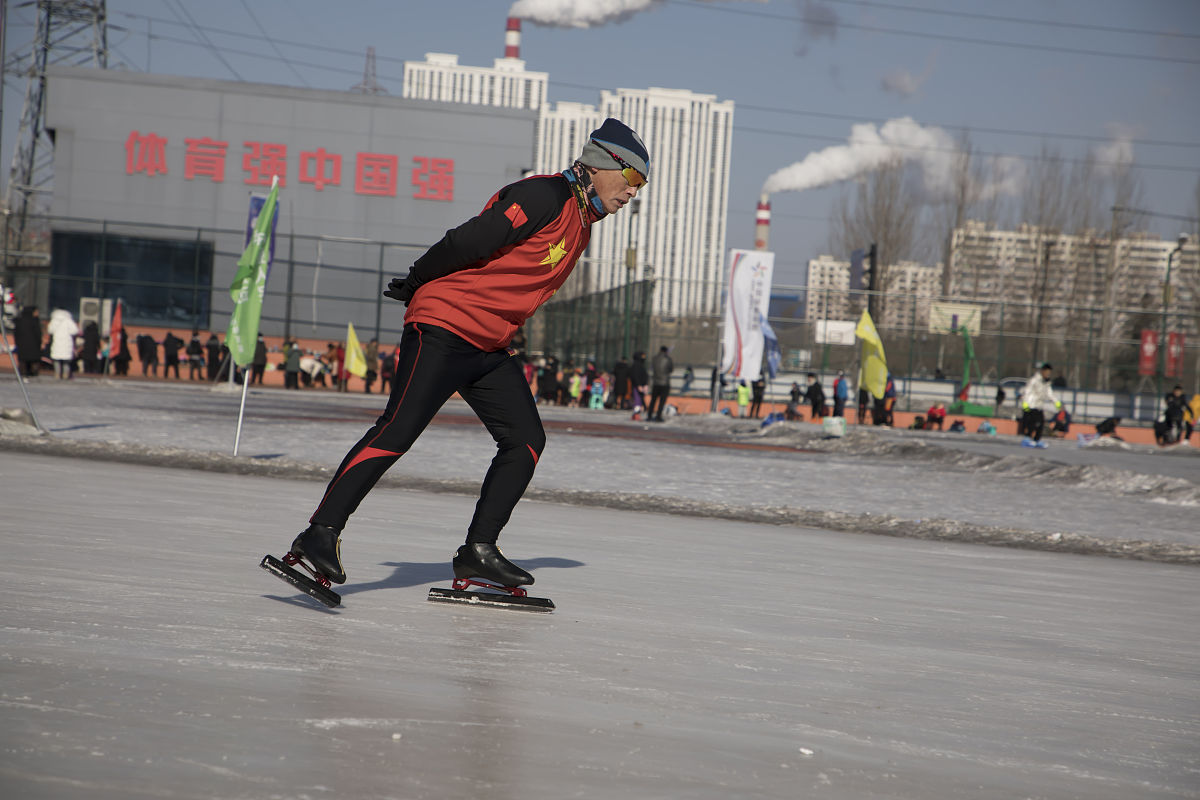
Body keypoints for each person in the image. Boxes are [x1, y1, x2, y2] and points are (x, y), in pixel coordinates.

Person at [278, 117, 649, 594]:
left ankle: (478, 552)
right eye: (634, 178)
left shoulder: (581, 222)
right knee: (398, 431)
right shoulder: (545, 196)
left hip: (489, 345)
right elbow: (468, 240)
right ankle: (319, 533)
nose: (634, 192)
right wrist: (417, 280)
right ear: (603, 163)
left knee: (526, 441)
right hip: (445, 326)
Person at [1020, 362, 1059, 446]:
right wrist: (1025, 404)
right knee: (1032, 423)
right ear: (1042, 371)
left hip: (1039, 405)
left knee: (1041, 423)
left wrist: (1056, 402)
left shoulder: (1046, 382)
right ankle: (1027, 439)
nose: (1048, 374)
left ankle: (1036, 440)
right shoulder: (1034, 380)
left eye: (1049, 372)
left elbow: (1049, 393)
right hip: (1031, 405)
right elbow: (1027, 391)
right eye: (1046, 372)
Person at [47, 308, 79, 380]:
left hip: (57, 342)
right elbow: (75, 331)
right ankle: (65, 374)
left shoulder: (54, 321)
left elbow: (50, 330)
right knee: (66, 360)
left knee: (56, 359)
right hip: (67, 342)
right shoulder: (69, 321)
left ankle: (57, 374)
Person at [13, 305, 43, 377]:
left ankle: (23, 373)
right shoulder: (35, 321)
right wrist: (39, 342)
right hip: (34, 345)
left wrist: (17, 342)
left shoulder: (19, 321)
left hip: (22, 345)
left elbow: (16, 333)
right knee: (33, 360)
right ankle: (32, 373)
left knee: (23, 361)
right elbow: (38, 333)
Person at [648, 345, 673, 422]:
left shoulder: (654, 358)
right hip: (665, 383)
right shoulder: (668, 359)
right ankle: (658, 416)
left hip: (655, 382)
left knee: (653, 400)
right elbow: (671, 369)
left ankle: (649, 415)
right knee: (662, 401)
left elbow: (652, 368)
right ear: (666, 351)